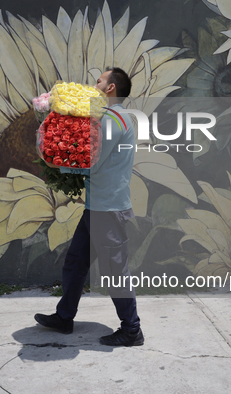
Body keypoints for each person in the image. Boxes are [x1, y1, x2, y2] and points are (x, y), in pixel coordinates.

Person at [34, 67, 143, 347]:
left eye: (99, 81)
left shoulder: (113, 121)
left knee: (115, 269)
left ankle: (132, 329)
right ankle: (64, 317)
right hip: (97, 207)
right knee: (75, 262)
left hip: (107, 210)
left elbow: (89, 161)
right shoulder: (112, 118)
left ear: (110, 89)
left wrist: (54, 161)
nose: (94, 85)